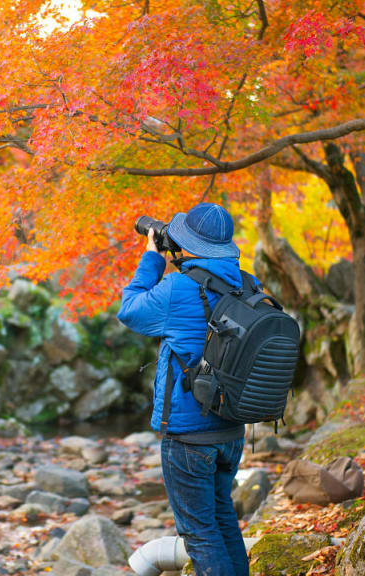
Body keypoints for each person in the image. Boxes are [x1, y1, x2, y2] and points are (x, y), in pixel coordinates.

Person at [117, 203, 251, 576]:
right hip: (232, 427)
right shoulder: (246, 282)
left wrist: (151, 260)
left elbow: (129, 310)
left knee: (199, 532)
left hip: (189, 433)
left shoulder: (178, 286)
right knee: (222, 517)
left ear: (190, 241)